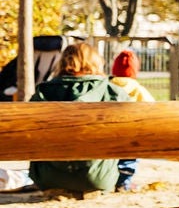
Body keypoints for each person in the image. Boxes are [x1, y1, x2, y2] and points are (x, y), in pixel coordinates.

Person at [29, 41, 128, 194]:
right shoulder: (112, 92)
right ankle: (123, 182)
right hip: (99, 178)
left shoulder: (43, 91)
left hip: (48, 177)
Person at [107, 49, 155, 191]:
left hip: (109, 131)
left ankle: (110, 180)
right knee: (129, 159)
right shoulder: (137, 88)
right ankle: (123, 183)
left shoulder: (108, 84)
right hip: (130, 133)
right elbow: (152, 106)